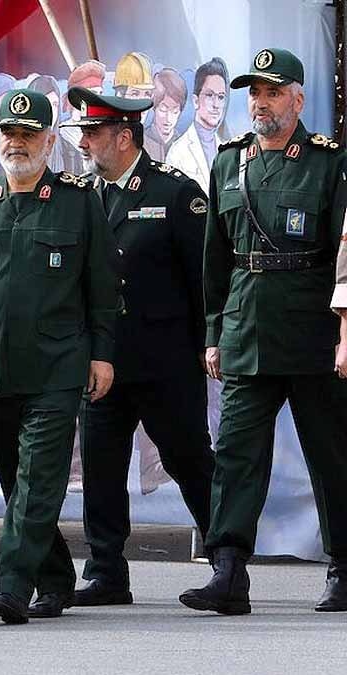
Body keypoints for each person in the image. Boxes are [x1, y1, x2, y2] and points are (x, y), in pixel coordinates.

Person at [0, 89, 117, 624]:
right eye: (9, 134)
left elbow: (103, 288)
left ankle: (12, 585)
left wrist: (102, 354)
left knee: (38, 477)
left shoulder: (78, 202)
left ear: (49, 141)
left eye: (29, 134)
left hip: (58, 366)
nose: (17, 143)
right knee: (19, 482)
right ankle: (55, 579)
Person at [183, 48, 347, 615]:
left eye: (272, 92)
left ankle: (343, 566)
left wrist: (345, 332)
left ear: (298, 100)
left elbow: (343, 256)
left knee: (331, 455)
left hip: (311, 331)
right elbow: (216, 259)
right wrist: (213, 332)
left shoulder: (329, 164)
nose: (260, 102)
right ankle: (228, 571)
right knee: (235, 454)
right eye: (254, 92)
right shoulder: (230, 162)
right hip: (246, 329)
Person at [65, 87, 214, 607]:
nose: (84, 142)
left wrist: (208, 343)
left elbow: (204, 280)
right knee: (101, 467)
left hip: (165, 360)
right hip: (102, 360)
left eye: (93, 133)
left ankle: (226, 560)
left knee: (188, 458)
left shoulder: (175, 193)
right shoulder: (82, 195)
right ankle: (106, 572)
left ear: (124, 137)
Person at [166, 58, 229, 191]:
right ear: (195, 101)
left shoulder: (228, 151)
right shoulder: (177, 152)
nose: (216, 105)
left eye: (221, 97)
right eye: (210, 95)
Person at [144, 69, 187, 162]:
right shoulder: (140, 142)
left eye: (175, 111)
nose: (168, 118)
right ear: (154, 107)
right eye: (163, 109)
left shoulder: (184, 145)